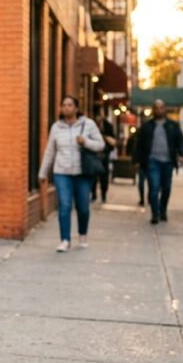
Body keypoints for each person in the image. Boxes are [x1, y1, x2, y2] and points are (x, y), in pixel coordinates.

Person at [38, 96, 106, 252]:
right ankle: (65, 240)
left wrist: (86, 142)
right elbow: (50, 151)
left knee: (82, 207)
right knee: (64, 205)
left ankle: (82, 235)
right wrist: (43, 173)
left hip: (82, 173)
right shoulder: (56, 127)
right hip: (62, 172)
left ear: (76, 108)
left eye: (70, 105)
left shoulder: (88, 124)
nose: (66, 108)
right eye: (64, 105)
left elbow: (101, 145)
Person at [135, 99, 183, 224]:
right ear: (153, 110)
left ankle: (163, 210)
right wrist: (137, 160)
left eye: (161, 107)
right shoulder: (147, 126)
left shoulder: (173, 126)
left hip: (168, 161)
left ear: (165, 109)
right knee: (154, 187)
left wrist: (182, 154)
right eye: (156, 108)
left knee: (166, 188)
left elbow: (180, 141)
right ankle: (155, 213)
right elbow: (139, 144)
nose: (159, 110)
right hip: (152, 160)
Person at [91, 108, 117, 203]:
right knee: (93, 175)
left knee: (104, 176)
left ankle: (103, 194)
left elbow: (113, 141)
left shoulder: (108, 126)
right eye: (98, 115)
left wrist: (105, 137)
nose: (99, 117)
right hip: (93, 154)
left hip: (104, 154)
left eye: (101, 114)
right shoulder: (91, 125)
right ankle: (93, 193)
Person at [127, 129, 146, 206]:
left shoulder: (137, 140)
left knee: (144, 182)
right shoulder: (137, 140)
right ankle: (143, 198)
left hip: (144, 162)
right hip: (142, 163)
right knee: (143, 182)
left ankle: (144, 198)